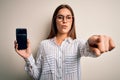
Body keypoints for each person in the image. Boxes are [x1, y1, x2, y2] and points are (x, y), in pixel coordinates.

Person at [14, 4, 115, 80]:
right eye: (60, 17)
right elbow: (36, 75)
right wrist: (27, 57)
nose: (64, 21)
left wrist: (92, 44)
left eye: (68, 17)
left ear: (72, 21)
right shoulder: (44, 45)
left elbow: (87, 49)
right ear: (55, 21)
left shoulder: (78, 44)